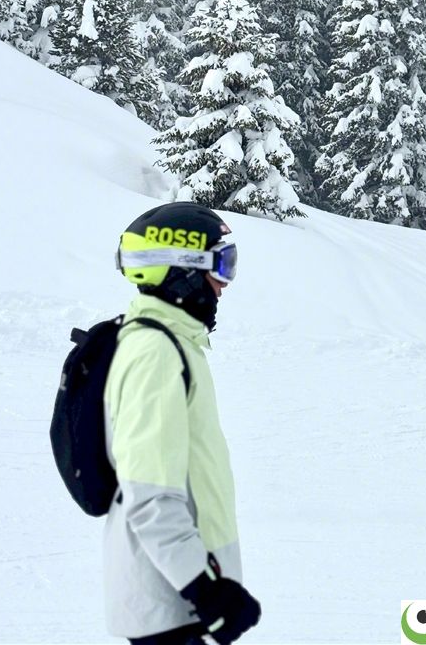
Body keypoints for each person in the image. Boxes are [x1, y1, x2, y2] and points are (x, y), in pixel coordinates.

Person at [104, 202, 261, 645]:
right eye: (222, 265)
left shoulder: (173, 344)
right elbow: (150, 495)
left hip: (180, 600)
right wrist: (205, 591)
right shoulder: (155, 353)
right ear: (184, 270)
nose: (225, 284)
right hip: (171, 606)